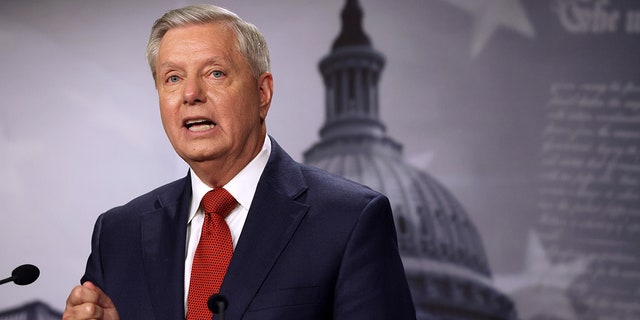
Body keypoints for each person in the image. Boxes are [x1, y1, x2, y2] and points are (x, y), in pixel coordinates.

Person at [63, 4, 416, 320]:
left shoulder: (350, 220)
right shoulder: (117, 235)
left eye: (215, 73)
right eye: (173, 78)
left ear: (262, 94)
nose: (191, 95)